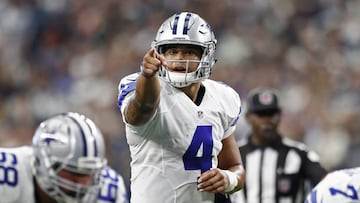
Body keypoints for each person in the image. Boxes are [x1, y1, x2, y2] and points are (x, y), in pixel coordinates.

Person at [117, 11, 245, 203]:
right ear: (159, 54)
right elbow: (141, 111)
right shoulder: (143, 86)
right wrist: (148, 77)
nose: (179, 58)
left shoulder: (223, 98)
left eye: (189, 52)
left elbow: (234, 166)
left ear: (206, 56)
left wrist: (229, 179)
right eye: (172, 51)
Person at [0, 112, 129, 203]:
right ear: (42, 163)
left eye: (87, 174)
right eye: (73, 173)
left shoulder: (109, 187)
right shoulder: (6, 173)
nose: (81, 184)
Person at [230, 87, 327, 203]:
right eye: (261, 114)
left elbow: (326, 183)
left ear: (280, 116)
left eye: (271, 114)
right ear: (248, 118)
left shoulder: (299, 154)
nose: (267, 120)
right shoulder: (234, 154)